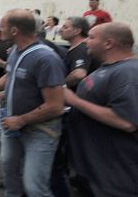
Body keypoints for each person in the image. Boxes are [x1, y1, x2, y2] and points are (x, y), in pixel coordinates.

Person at [0, 9, 66, 197]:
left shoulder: (45, 58)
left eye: (3, 27)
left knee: (35, 187)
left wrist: (21, 120)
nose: (0, 30)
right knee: (9, 171)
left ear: (15, 30)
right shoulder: (16, 50)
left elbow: (56, 106)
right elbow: (11, 74)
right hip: (12, 126)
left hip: (39, 131)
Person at [64, 22, 138, 197]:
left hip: (116, 178)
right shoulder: (110, 68)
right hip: (95, 172)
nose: (86, 42)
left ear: (108, 43)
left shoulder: (128, 72)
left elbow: (126, 121)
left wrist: (74, 100)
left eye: (91, 37)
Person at [50, 16, 93, 197]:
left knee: (64, 152)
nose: (61, 29)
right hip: (74, 106)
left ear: (77, 31)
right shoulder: (73, 49)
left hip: (75, 106)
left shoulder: (81, 49)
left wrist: (59, 85)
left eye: (66, 27)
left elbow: (79, 74)